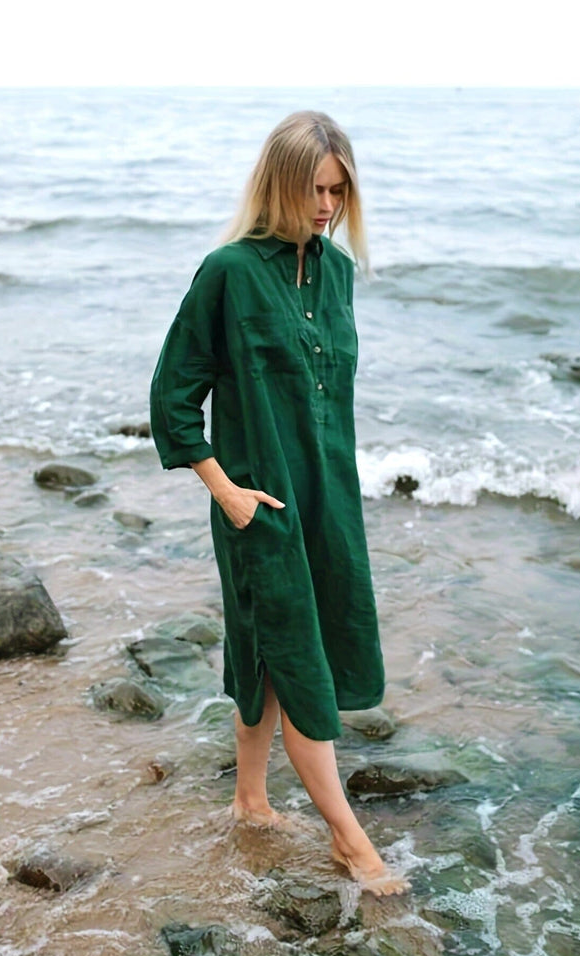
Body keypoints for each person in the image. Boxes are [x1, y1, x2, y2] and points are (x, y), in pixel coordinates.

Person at [150, 111, 410, 896]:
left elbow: (323, 396)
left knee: (270, 647)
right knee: (296, 655)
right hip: (259, 503)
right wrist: (226, 493)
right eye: (314, 189)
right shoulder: (227, 272)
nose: (327, 205)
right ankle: (349, 840)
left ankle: (251, 801)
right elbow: (171, 397)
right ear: (279, 185)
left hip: (330, 499)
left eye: (338, 190)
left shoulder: (335, 273)